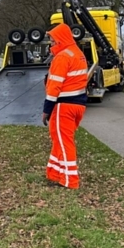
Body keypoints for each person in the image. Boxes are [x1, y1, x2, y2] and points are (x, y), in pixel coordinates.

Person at [42, 22, 88, 189]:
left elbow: (54, 87)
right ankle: (55, 174)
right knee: (59, 139)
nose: (51, 43)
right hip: (78, 105)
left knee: (64, 142)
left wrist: (46, 110)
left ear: (61, 39)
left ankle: (70, 181)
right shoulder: (77, 54)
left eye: (53, 40)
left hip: (64, 106)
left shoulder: (62, 57)